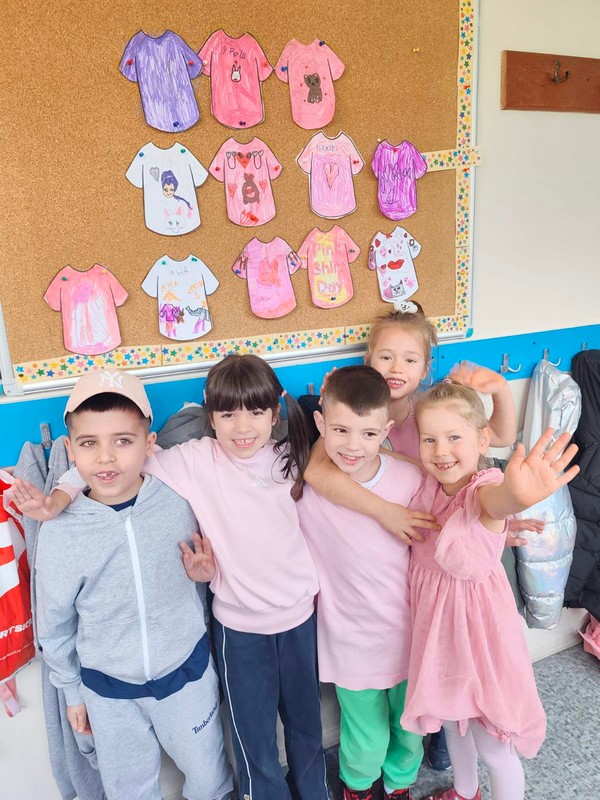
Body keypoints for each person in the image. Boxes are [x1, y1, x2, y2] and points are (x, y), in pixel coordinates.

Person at [19, 356, 329, 800]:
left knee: (306, 727)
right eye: (228, 414)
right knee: (254, 741)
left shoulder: (291, 458)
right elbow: (106, 464)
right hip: (238, 630)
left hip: (297, 620)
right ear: (210, 416)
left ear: (274, 413)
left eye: (256, 412)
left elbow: (342, 449)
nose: (243, 427)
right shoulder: (192, 461)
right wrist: (59, 498)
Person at [304, 300, 527, 771]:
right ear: (368, 360)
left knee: (453, 650)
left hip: (454, 546)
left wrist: (500, 389)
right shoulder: (354, 410)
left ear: (426, 368)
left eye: (409, 359)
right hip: (408, 560)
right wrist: (386, 512)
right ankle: (434, 735)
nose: (395, 368)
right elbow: (318, 473)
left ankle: (447, 733)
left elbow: (497, 437)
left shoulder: (430, 408)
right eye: (385, 357)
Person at [24, 370, 232, 800]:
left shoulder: (178, 501)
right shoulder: (61, 531)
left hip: (187, 674)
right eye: (89, 443)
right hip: (108, 691)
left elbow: (211, 567)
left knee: (209, 776)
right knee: (129, 791)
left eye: (122, 441)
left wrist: (208, 575)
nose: (106, 458)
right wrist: (72, 693)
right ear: (70, 450)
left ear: (149, 444)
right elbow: (54, 623)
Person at [401, 380, 578, 800]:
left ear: (482, 439)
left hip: (478, 637)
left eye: (454, 437)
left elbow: (493, 502)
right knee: (452, 720)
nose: (440, 451)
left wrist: (513, 499)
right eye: (429, 439)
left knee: (493, 745)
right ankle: (465, 791)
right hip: (440, 632)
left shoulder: (482, 488)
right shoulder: (428, 486)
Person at [297, 365, 425, 800]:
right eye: (340, 430)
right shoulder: (305, 487)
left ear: (386, 431)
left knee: (409, 728)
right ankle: (357, 788)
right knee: (365, 735)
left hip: (409, 634)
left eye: (368, 434)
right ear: (320, 424)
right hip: (350, 641)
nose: (353, 446)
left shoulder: (409, 479)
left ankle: (400, 787)